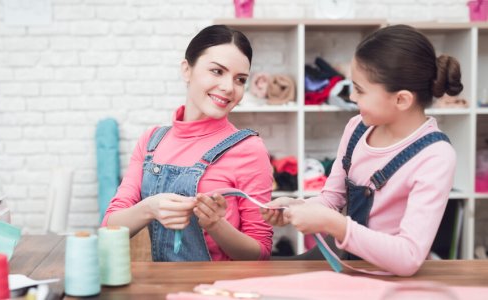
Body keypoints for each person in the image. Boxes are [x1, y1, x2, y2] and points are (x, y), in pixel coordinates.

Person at [262, 24, 462, 276]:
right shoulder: (357, 127)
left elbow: (409, 257)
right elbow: (331, 200)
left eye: (360, 90)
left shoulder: (436, 157)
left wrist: (334, 224)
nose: (352, 98)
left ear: (402, 99)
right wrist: (296, 207)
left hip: (389, 281)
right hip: (347, 265)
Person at [103, 25, 273, 261]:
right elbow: (110, 226)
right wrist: (149, 209)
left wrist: (216, 225)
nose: (228, 87)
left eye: (240, 79)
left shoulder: (249, 149)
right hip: (164, 289)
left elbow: (260, 253)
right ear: (187, 70)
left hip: (221, 292)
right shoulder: (151, 142)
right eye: (217, 71)